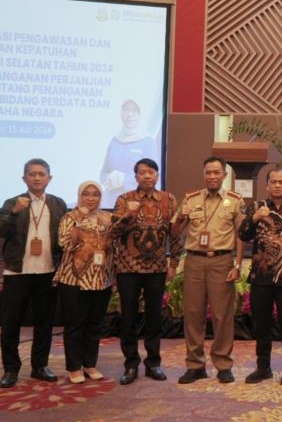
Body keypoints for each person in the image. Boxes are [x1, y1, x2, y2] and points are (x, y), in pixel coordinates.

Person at [0, 158, 68, 388]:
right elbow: (1, 231)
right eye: (32, 174)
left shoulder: (58, 204)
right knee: (11, 323)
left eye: (41, 174)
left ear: (49, 178)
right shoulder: (12, 202)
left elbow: (63, 236)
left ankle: (40, 366)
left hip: (47, 271)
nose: (37, 178)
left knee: (44, 322)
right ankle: (11, 369)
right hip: (18, 272)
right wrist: (14, 213)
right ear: (24, 178)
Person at [171, 156, 244, 384]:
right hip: (194, 261)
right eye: (208, 172)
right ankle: (195, 365)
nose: (212, 176)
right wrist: (181, 217)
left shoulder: (234, 200)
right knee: (193, 314)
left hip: (221, 261)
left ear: (224, 175)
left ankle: (223, 364)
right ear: (203, 174)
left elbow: (241, 236)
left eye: (216, 172)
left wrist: (237, 265)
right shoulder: (190, 199)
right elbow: (174, 232)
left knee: (222, 316)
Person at [111, 158, 177, 385]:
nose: (147, 176)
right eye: (142, 172)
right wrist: (128, 216)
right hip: (128, 267)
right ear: (136, 177)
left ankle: (153, 363)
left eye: (151, 172)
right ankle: (130, 364)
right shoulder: (124, 199)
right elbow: (113, 232)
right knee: (128, 317)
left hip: (157, 268)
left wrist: (174, 263)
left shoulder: (168, 199)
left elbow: (175, 234)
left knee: (154, 318)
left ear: (157, 175)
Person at [238, 167, 282, 385]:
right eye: (273, 182)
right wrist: (255, 217)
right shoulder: (256, 207)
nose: (277, 185)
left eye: (281, 182)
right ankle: (263, 367)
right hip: (261, 277)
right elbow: (242, 234)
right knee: (261, 325)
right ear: (266, 185)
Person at [55, 181, 115, 384]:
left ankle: (90, 364)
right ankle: (74, 367)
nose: (91, 198)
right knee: (75, 325)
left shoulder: (107, 217)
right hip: (74, 280)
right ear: (79, 196)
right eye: (86, 194)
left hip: (101, 280)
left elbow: (112, 247)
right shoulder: (69, 217)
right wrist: (79, 221)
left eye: (95, 194)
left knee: (95, 324)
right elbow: (65, 244)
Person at [101, 100, 158, 207]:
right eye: (126, 109)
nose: (130, 114)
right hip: (111, 204)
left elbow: (153, 177)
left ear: (140, 114)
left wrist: (124, 180)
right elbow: (103, 173)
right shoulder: (115, 140)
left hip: (137, 203)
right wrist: (109, 179)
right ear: (121, 113)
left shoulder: (147, 141)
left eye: (134, 110)